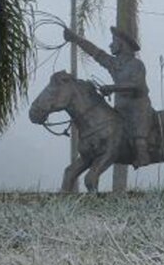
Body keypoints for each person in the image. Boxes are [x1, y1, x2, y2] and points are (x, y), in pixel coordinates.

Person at [63, 25, 155, 167]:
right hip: (120, 107)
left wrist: (112, 88)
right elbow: (95, 52)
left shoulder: (137, 64)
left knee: (138, 134)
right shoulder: (114, 64)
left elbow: (137, 86)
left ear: (122, 44)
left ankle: (143, 155)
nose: (110, 45)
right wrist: (75, 39)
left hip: (137, 107)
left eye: (113, 41)